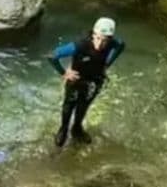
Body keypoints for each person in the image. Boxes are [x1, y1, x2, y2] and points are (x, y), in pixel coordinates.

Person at [48, 17, 126, 147]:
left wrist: (108, 64)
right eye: (97, 38)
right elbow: (52, 56)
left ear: (110, 39)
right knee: (69, 104)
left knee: (84, 104)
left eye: (104, 41)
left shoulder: (113, 43)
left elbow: (121, 46)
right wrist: (64, 73)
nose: (99, 44)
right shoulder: (80, 45)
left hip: (96, 79)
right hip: (77, 78)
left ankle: (77, 128)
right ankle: (63, 129)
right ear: (93, 34)